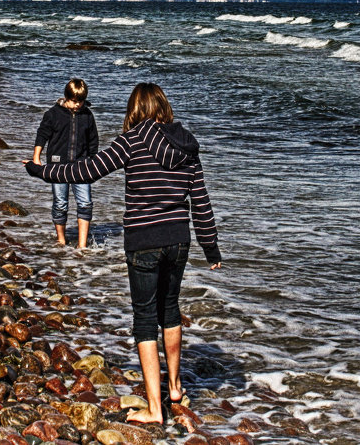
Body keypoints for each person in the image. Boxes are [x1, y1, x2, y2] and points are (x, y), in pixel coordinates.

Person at [25, 82, 221, 423]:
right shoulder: (188, 145)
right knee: (170, 310)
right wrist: (211, 246)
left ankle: (155, 409)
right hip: (179, 240)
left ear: (135, 110)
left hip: (144, 239)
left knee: (145, 320)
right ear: (164, 106)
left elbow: (85, 170)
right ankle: (174, 387)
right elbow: (201, 201)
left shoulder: (132, 141)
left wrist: (41, 171)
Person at [31, 78, 99, 248]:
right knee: (60, 203)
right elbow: (42, 135)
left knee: (85, 203)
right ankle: (61, 239)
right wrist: (36, 157)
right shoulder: (53, 114)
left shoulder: (87, 116)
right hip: (57, 165)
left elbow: (93, 141)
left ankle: (82, 245)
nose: (77, 105)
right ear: (66, 97)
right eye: (74, 101)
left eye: (80, 101)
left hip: (81, 166)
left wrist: (92, 162)